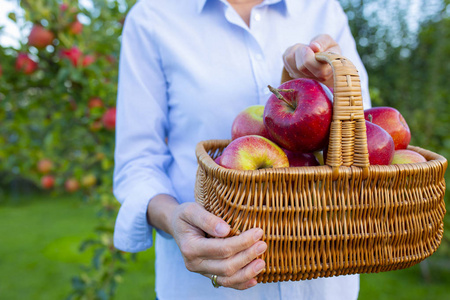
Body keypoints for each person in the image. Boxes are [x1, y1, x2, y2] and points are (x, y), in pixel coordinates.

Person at [113, 0, 371, 299]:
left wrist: (326, 92)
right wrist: (172, 218)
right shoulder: (153, 16)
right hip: (205, 289)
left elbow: (362, 137)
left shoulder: (323, 9)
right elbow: (138, 162)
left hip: (323, 278)